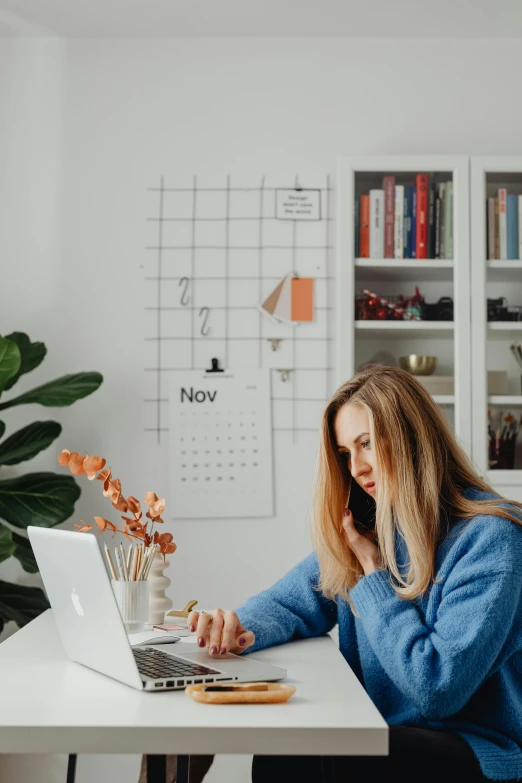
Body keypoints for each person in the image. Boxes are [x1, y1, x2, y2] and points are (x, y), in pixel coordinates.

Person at [188, 366, 522, 783]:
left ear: (412, 437)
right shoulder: (374, 528)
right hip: (381, 732)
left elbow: (436, 687)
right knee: (282, 751)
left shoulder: (492, 538)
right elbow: (292, 601)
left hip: (472, 745)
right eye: (346, 453)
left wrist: (373, 576)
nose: (357, 468)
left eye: (366, 444)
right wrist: (234, 627)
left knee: (321, 754)